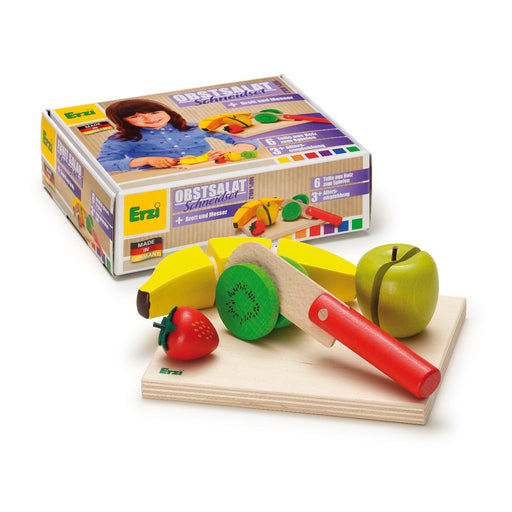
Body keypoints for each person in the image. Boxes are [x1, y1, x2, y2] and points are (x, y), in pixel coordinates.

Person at [97, 99, 257, 173]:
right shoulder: (121, 139)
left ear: (167, 111)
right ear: (123, 121)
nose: (149, 118)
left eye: (154, 112)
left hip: (211, 171)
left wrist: (230, 152)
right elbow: (103, 165)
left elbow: (246, 137)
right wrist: (146, 160)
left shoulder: (196, 127)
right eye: (135, 117)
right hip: (162, 180)